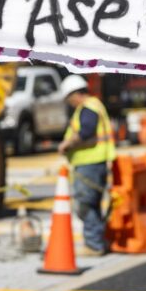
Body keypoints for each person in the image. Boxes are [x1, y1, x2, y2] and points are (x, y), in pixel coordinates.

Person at [56, 74, 116, 256]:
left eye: (68, 98)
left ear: (75, 94)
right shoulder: (95, 105)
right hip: (94, 163)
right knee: (94, 204)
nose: (69, 102)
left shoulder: (87, 108)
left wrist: (66, 144)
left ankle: (93, 244)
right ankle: (98, 241)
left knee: (85, 206)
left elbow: (86, 131)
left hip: (89, 164)